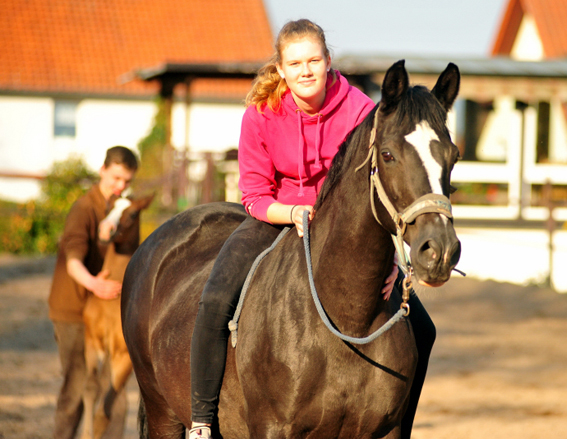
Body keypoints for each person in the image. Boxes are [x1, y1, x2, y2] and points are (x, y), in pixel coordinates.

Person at [189, 19, 435, 439]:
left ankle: (399, 426)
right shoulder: (261, 113)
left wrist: (392, 257)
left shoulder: (361, 111)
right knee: (214, 301)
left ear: (328, 61)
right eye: (295, 62)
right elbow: (253, 194)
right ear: (281, 69)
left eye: (314, 60)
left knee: (423, 329)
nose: (306, 70)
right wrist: (293, 213)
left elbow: (378, 187)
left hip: (343, 231)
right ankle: (201, 419)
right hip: (275, 219)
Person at [48, 146, 138, 439]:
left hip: (102, 308)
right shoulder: (85, 208)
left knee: (112, 388)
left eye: (126, 181)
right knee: (76, 386)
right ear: (102, 170)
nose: (120, 186)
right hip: (73, 308)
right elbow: (72, 260)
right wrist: (94, 284)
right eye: (116, 178)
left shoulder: (117, 208)